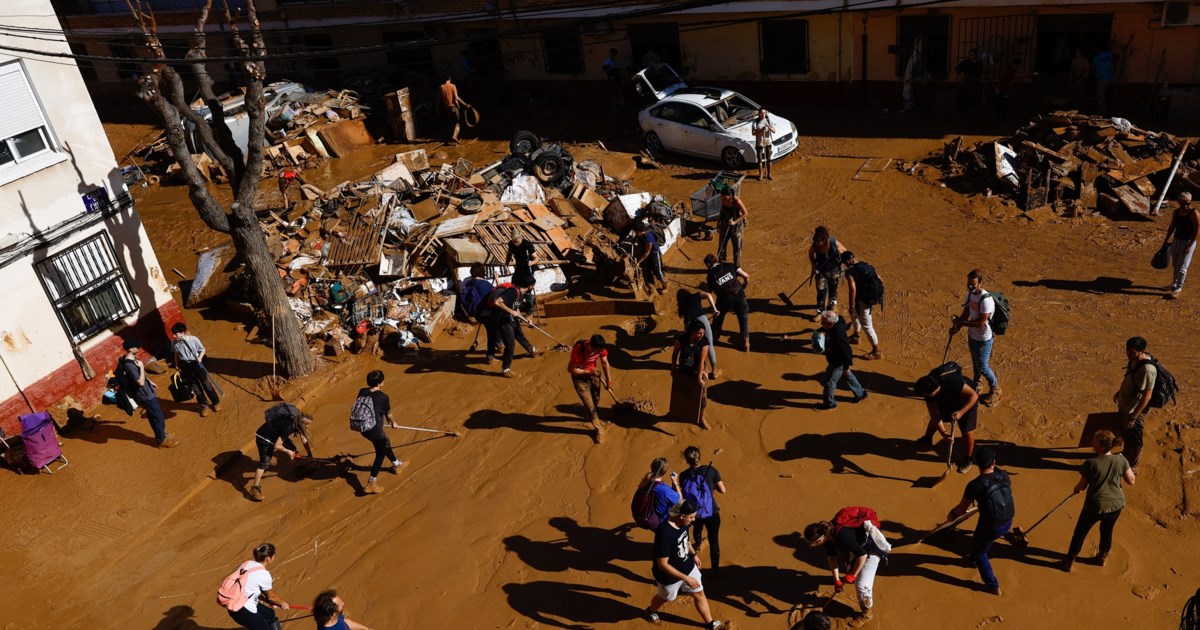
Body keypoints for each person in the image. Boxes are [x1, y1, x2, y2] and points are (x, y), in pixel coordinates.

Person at [644, 500, 729, 630]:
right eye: (691, 517)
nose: (693, 520)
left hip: (688, 567)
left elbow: (685, 538)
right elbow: (662, 564)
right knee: (665, 597)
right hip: (669, 577)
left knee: (700, 593)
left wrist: (694, 554)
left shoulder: (684, 523)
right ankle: (650, 611)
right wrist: (686, 578)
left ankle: (710, 623)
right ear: (681, 515)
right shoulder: (665, 534)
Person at [1063, 430, 1136, 572]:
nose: (1092, 443)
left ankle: (1069, 561)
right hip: (1116, 505)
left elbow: (1082, 486)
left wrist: (1076, 489)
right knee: (1107, 531)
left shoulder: (1090, 463)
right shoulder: (1121, 459)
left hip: (1094, 506)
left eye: (1094, 441)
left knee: (1080, 533)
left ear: (1102, 446)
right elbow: (1131, 481)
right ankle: (1101, 557)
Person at [946, 447, 1014, 595]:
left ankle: (993, 586)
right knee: (979, 538)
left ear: (977, 464)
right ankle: (972, 558)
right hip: (1008, 520)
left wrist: (951, 515)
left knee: (980, 553)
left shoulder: (974, 485)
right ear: (994, 462)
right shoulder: (1004, 475)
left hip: (991, 526)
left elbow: (961, 510)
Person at [803, 509, 888, 628]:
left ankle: (866, 613)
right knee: (851, 569)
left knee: (861, 584)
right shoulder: (827, 538)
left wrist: (852, 575)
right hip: (857, 547)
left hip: (870, 548)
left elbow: (862, 555)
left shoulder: (841, 535)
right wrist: (837, 579)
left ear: (819, 539)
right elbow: (832, 558)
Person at [915, 365, 980, 472]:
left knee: (967, 429)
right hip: (947, 399)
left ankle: (969, 458)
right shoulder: (928, 393)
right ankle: (927, 439)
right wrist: (944, 434)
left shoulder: (952, 382)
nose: (924, 397)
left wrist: (961, 412)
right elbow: (935, 415)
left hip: (967, 400)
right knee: (935, 420)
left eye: (925, 395)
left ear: (932, 391)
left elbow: (974, 395)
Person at [952, 269, 1001, 406]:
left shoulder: (986, 300)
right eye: (968, 283)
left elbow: (980, 323)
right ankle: (976, 384)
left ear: (980, 283)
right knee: (975, 362)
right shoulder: (969, 295)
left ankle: (995, 389)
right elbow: (966, 312)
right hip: (972, 336)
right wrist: (957, 328)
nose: (970, 286)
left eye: (973, 284)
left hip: (984, 338)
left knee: (983, 366)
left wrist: (961, 323)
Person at [249, 403, 314, 502]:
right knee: (265, 462)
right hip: (264, 437)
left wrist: (310, 454)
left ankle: (296, 468)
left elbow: (304, 440)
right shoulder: (289, 427)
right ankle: (255, 488)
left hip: (275, 434)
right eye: (308, 425)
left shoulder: (297, 421)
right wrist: (287, 451)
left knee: (292, 449)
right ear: (303, 424)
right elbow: (277, 446)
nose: (309, 427)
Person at [117, 340, 176, 448]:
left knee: (152, 415)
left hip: (146, 391)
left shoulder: (133, 359)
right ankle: (161, 440)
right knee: (158, 416)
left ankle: (161, 435)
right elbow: (140, 382)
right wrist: (141, 367)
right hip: (144, 394)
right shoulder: (129, 365)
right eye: (136, 346)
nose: (138, 348)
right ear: (130, 349)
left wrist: (150, 381)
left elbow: (142, 377)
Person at [679, 446, 726, 573]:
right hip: (711, 511)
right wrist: (710, 490)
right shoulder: (711, 470)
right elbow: (723, 490)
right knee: (714, 540)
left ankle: (698, 543)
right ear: (699, 456)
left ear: (686, 459)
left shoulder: (683, 476)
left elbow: (683, 495)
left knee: (697, 529)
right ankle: (715, 570)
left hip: (693, 514)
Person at [355, 370, 402, 495]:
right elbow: (389, 414)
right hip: (374, 430)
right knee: (380, 453)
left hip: (362, 428)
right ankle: (371, 483)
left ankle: (397, 464)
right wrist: (393, 423)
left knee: (385, 442)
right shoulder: (383, 397)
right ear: (380, 383)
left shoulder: (362, 391)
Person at [483, 277, 540, 378]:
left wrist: (526, 320)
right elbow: (497, 302)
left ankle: (532, 350)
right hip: (501, 319)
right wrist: (511, 311)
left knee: (519, 334)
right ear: (530, 286)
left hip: (509, 317)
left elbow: (516, 309)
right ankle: (505, 369)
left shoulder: (521, 295)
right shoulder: (513, 292)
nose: (533, 287)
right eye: (533, 286)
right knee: (510, 344)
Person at [1113, 336, 1156, 469]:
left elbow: (1147, 397)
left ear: (1142, 351)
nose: (1128, 354)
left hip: (1134, 411)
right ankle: (1125, 455)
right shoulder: (1133, 361)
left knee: (1136, 441)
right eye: (1127, 350)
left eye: (1132, 352)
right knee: (1127, 435)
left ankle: (1132, 467)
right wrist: (1119, 392)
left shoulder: (1148, 370)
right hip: (1126, 407)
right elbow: (1130, 377)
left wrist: (1134, 417)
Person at [226, 543, 290, 630]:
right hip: (241, 609)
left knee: (270, 615)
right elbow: (272, 597)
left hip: (235, 603)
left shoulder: (246, 563)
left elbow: (250, 588)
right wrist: (282, 604)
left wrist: (267, 600)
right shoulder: (264, 575)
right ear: (268, 558)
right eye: (274, 555)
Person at [817, 310, 867, 410]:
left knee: (830, 382)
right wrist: (820, 330)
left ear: (831, 323)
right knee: (847, 375)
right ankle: (860, 393)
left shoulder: (837, 335)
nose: (821, 323)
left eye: (823, 322)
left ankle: (829, 403)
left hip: (837, 361)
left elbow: (846, 351)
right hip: (837, 360)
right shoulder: (838, 320)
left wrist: (847, 366)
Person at [567, 334, 613, 444]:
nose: (600, 353)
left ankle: (592, 416)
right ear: (592, 347)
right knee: (590, 406)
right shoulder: (579, 351)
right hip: (579, 378)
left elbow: (605, 362)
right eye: (598, 351)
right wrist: (587, 372)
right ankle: (598, 428)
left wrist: (609, 380)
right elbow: (570, 369)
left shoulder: (600, 348)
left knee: (596, 398)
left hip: (594, 374)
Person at [171, 322, 221, 417]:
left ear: (182, 333)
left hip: (196, 363)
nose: (174, 336)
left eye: (175, 334)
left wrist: (200, 358)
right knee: (195, 387)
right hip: (185, 365)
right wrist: (177, 365)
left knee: (206, 384)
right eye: (173, 334)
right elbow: (176, 354)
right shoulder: (174, 342)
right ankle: (204, 406)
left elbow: (202, 349)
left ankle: (215, 402)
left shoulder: (193, 339)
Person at [703, 254, 751, 352]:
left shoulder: (710, 276)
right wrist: (745, 285)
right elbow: (746, 276)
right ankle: (745, 342)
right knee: (743, 318)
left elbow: (709, 293)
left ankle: (715, 338)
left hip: (724, 299)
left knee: (718, 318)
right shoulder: (730, 265)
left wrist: (714, 309)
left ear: (708, 265)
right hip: (739, 295)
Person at [840, 251, 883, 360]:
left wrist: (850, 305)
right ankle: (856, 336)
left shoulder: (849, 272)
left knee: (868, 326)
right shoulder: (866, 265)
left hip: (863, 300)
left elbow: (852, 289)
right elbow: (880, 279)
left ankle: (876, 351)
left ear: (847, 262)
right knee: (854, 315)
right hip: (869, 297)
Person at [672, 321, 711, 429]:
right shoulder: (681, 339)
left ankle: (701, 418)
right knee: (683, 393)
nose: (701, 335)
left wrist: (699, 377)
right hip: (683, 370)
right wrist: (673, 368)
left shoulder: (704, 342)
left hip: (698, 370)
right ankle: (681, 414)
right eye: (699, 333)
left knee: (702, 399)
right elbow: (675, 354)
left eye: (703, 333)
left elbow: (701, 361)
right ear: (692, 332)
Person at [1162, 191, 1197, 297]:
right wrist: (1166, 240)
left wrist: (1190, 245)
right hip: (1176, 241)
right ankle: (1174, 283)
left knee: (1183, 267)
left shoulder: (1194, 213)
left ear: (1190, 202)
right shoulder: (1176, 212)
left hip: (1187, 241)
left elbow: (1197, 229)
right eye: (1183, 203)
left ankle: (1178, 288)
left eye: (1186, 203)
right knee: (1176, 264)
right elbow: (1172, 227)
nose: (1185, 206)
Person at [676, 288, 719, 377]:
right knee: (709, 344)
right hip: (702, 319)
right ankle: (714, 370)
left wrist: (686, 335)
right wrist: (714, 309)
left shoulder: (682, 304)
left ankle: (701, 368)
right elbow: (708, 295)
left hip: (689, 323)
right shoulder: (695, 296)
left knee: (692, 346)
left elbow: (685, 325)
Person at [461, 263, 498, 361]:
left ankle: (498, 344)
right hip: (487, 313)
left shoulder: (468, 283)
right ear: (483, 272)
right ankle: (490, 355)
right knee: (492, 332)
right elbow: (497, 295)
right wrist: (497, 279)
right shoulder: (486, 285)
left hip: (476, 313)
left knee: (491, 329)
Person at [807, 227, 847, 318]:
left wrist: (841, 252)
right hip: (821, 271)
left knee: (833, 289)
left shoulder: (834, 243)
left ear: (824, 239)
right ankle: (820, 311)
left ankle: (832, 307)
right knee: (821, 291)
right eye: (816, 241)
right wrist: (813, 265)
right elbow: (810, 254)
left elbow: (845, 251)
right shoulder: (815, 246)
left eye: (818, 241)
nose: (817, 243)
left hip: (834, 270)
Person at [638, 456, 682, 524]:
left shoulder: (646, 482)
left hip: (647, 515)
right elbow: (679, 500)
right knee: (681, 504)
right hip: (660, 520)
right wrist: (675, 482)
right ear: (665, 472)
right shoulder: (664, 489)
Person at [715, 186, 748, 268]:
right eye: (721, 196)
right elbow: (721, 211)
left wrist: (734, 222)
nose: (722, 198)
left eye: (724, 196)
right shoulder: (723, 199)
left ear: (729, 195)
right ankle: (721, 265)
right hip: (725, 223)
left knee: (737, 247)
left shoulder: (737, 201)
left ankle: (737, 267)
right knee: (722, 245)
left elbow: (745, 213)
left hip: (736, 226)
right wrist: (718, 222)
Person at [438, 75, 468, 145]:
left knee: (451, 123)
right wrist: (465, 104)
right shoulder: (453, 86)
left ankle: (449, 138)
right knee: (457, 123)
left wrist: (437, 109)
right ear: (449, 79)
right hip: (453, 108)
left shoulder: (441, 87)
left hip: (446, 109)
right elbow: (456, 98)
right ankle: (454, 136)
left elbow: (438, 100)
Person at [636, 223, 665, 294]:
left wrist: (638, 262)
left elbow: (647, 252)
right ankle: (651, 286)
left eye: (636, 232)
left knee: (657, 270)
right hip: (647, 253)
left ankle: (665, 284)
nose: (635, 233)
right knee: (647, 270)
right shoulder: (640, 235)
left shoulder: (649, 237)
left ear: (640, 231)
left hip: (654, 254)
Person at [994, 57, 1024, 124]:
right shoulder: (1011, 70)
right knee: (1002, 106)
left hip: (1001, 89)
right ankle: (1000, 121)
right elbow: (1017, 76)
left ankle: (1000, 121)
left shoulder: (1008, 69)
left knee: (1002, 106)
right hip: (1003, 90)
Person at [752, 108, 775, 180]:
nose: (763, 115)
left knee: (769, 158)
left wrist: (768, 127)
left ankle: (769, 174)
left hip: (767, 141)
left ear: (766, 113)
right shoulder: (755, 121)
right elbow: (753, 133)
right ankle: (761, 175)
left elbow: (774, 131)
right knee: (760, 159)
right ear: (758, 113)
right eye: (761, 113)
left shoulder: (768, 120)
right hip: (759, 142)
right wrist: (761, 130)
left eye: (764, 113)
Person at [1092, 47, 1113, 113]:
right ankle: (1104, 108)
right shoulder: (1109, 55)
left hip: (1101, 78)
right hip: (1108, 78)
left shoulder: (1097, 58)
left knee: (1100, 94)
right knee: (1104, 93)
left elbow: (1093, 68)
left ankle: (1102, 109)